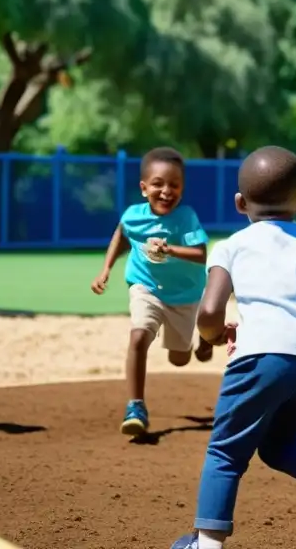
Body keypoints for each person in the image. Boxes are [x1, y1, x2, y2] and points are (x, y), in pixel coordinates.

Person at [171, 145, 296, 549]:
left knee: (226, 453)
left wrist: (211, 336)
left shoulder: (232, 245)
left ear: (240, 202)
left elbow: (210, 310)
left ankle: (206, 544)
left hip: (260, 356)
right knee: (278, 445)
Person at [91, 146, 214, 436]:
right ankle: (136, 406)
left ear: (182, 189)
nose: (166, 191)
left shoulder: (186, 217)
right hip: (145, 286)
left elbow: (200, 253)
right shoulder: (133, 215)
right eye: (158, 184)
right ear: (144, 188)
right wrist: (106, 268)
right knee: (138, 336)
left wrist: (169, 248)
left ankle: (204, 339)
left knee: (178, 359)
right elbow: (122, 235)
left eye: (174, 185)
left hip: (184, 296)